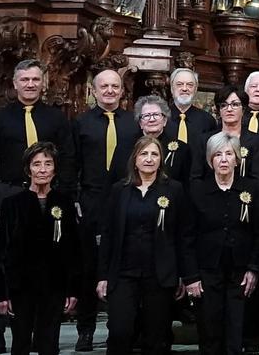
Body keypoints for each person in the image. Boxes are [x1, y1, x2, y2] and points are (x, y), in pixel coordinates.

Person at [0, 59, 77, 355]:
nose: (30, 84)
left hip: (50, 196)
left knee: (49, 261)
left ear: (43, 83)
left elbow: (69, 158)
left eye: (35, 79)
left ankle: (45, 332)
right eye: (25, 80)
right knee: (4, 262)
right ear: (15, 83)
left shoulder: (56, 118)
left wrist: (67, 196)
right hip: (10, 196)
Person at [97, 135, 198, 355]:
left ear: (161, 159)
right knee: (119, 331)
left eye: (154, 154)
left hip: (159, 275)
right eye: (144, 154)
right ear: (135, 159)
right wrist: (103, 275)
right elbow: (108, 235)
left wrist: (185, 275)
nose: (149, 159)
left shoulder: (174, 190)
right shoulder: (119, 190)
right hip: (123, 273)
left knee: (157, 336)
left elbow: (184, 235)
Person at [0, 142, 81, 355]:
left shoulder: (64, 203)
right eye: (37, 164)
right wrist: (1, 294)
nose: (42, 169)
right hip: (20, 287)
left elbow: (73, 251)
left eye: (48, 164)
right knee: (20, 343)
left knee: (49, 345)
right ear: (27, 169)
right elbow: (1, 252)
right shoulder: (12, 204)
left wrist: (72, 289)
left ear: (55, 169)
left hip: (54, 286)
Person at [73, 69, 138, 351]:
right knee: (88, 267)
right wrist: (75, 197)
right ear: (94, 90)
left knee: (121, 266)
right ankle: (85, 329)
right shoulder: (81, 123)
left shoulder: (132, 124)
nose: (110, 91)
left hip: (125, 199)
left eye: (115, 86)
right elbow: (71, 163)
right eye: (104, 86)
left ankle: (119, 329)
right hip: (91, 199)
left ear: (122, 91)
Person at [189, 132, 259, 355]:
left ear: (237, 159)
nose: (223, 160)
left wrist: (253, 268)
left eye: (228, 154)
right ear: (210, 160)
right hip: (206, 272)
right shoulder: (197, 190)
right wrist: (191, 276)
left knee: (236, 333)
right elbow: (187, 236)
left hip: (240, 272)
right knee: (210, 332)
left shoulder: (251, 188)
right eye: (217, 155)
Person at [112, 95, 193, 187]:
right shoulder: (124, 146)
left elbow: (186, 185)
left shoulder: (182, 149)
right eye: (146, 116)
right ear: (140, 123)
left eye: (156, 115)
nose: (152, 119)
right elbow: (115, 181)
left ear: (165, 120)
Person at [164, 67, 218, 147]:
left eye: (190, 85)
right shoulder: (161, 117)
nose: (185, 89)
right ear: (172, 88)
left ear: (195, 89)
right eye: (179, 84)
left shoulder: (207, 120)